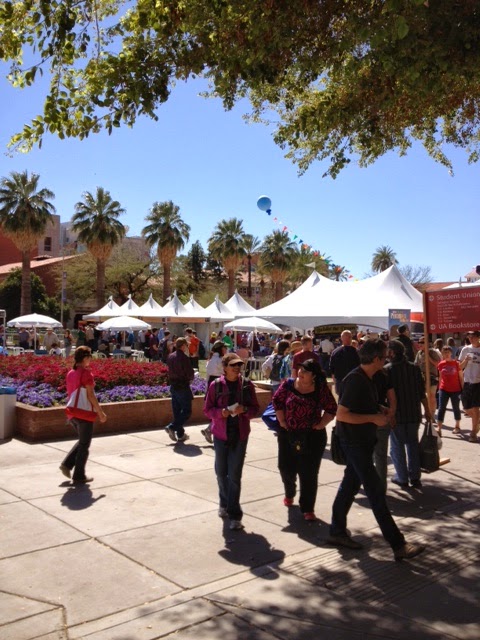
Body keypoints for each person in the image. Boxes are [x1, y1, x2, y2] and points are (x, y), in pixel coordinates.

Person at [328, 339, 425, 561]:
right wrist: (373, 417)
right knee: (375, 492)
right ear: (376, 359)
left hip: (363, 441)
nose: (387, 359)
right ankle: (398, 545)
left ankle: (336, 531)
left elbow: (363, 406)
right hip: (353, 442)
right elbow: (342, 414)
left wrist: (380, 409)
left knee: (349, 486)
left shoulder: (371, 377)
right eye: (384, 356)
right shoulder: (355, 380)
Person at [273, 359, 337, 520]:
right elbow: (277, 401)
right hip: (288, 434)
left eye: (306, 371)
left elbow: (331, 408)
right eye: (300, 369)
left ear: (314, 375)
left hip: (312, 437)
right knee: (285, 468)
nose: (301, 373)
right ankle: (290, 492)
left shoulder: (320, 389)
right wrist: (281, 421)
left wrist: (321, 424)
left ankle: (307, 508)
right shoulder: (288, 384)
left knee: (309, 473)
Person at [204, 353, 259, 530]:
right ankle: (224, 502)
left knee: (234, 475)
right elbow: (207, 410)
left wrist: (245, 410)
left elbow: (255, 409)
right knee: (221, 472)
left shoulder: (247, 385)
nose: (236, 368)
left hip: (240, 435)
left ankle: (235, 515)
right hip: (221, 435)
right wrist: (221, 413)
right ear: (225, 367)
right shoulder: (216, 385)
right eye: (233, 365)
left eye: (238, 365)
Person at [385, 340, 431, 489]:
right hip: (413, 413)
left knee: (397, 447)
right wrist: (427, 410)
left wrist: (389, 414)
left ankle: (402, 477)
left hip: (397, 415)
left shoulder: (387, 370)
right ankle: (415, 477)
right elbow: (421, 392)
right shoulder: (414, 368)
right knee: (412, 445)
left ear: (392, 352)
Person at [60, 346, 107, 483]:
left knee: (82, 441)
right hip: (84, 413)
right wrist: (100, 412)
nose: (90, 360)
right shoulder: (86, 374)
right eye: (89, 357)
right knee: (84, 445)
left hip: (72, 413)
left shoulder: (71, 373)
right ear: (85, 358)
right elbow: (90, 395)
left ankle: (67, 464)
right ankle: (79, 475)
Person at [165, 337, 195, 442]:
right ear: (183, 346)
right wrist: (191, 378)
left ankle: (180, 434)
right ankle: (172, 427)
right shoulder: (183, 357)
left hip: (173, 386)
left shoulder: (170, 356)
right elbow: (190, 373)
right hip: (182, 386)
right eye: (187, 345)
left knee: (177, 412)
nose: (187, 347)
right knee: (187, 411)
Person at [201, 340, 228, 444]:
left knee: (216, 408)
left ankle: (209, 429)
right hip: (219, 385)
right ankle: (209, 429)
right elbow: (225, 372)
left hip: (211, 384)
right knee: (221, 408)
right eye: (224, 347)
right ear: (221, 349)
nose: (226, 349)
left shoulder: (211, 359)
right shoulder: (220, 360)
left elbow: (208, 375)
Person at [459, 330, 480, 443]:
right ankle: (477, 420)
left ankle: (473, 432)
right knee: (466, 408)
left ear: (478, 337)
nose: (470, 339)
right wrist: (466, 360)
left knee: (475, 407)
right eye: (469, 337)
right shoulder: (465, 349)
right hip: (467, 381)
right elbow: (460, 367)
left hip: (478, 382)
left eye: (473, 337)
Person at [437, 346, 463, 436]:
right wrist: (439, 388)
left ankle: (457, 426)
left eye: (448, 352)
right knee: (441, 408)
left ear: (451, 353)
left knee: (456, 408)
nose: (446, 354)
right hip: (443, 389)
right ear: (442, 354)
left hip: (455, 389)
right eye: (445, 352)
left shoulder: (456, 363)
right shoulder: (441, 364)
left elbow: (461, 377)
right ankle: (439, 427)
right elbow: (440, 377)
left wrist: (463, 389)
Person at [414, 338, 441, 418]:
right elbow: (416, 365)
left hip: (432, 377)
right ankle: (424, 412)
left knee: (431, 396)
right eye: (419, 342)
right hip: (422, 377)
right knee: (421, 396)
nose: (420, 344)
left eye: (422, 342)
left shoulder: (433, 352)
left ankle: (432, 414)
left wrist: (428, 357)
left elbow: (438, 364)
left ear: (427, 343)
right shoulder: (419, 353)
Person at [329, 330, 360, 396]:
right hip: (353, 381)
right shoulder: (357, 352)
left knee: (341, 399)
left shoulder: (335, 352)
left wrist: (335, 380)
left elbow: (332, 369)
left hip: (340, 381)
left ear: (341, 338)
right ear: (351, 338)